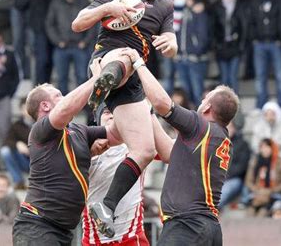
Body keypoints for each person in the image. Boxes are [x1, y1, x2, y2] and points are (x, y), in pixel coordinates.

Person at [71, 0, 178, 237]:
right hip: (106, 58)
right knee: (127, 57)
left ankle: (107, 206)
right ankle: (102, 83)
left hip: (132, 85)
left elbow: (172, 40)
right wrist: (109, 9)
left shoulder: (166, 5)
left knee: (146, 151)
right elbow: (78, 23)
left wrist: (171, 43)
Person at [118, 47, 240, 246]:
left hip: (187, 226)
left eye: (204, 99)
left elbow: (163, 103)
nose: (201, 102)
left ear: (208, 107)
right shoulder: (220, 138)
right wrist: (144, 108)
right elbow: (168, 151)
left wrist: (138, 63)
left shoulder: (201, 126)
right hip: (207, 228)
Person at [12, 58, 120, 245]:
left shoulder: (78, 130)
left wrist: (132, 101)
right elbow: (65, 109)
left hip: (62, 230)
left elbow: (116, 134)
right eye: (59, 96)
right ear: (45, 106)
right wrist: (96, 79)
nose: (64, 98)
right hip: (37, 226)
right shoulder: (39, 130)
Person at [82, 103, 167, 245]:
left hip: (132, 238)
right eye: (107, 112)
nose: (113, 115)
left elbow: (169, 151)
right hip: (93, 240)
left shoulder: (138, 145)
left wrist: (148, 113)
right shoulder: (85, 145)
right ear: (97, 119)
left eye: (118, 112)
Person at [46, 0, 91, 95]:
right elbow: (49, 24)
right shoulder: (56, 3)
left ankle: (86, 110)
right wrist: (57, 41)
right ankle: (64, 109)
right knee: (61, 79)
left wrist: (85, 41)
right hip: (62, 46)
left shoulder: (84, 2)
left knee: (82, 78)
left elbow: (93, 23)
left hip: (80, 45)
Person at [249, 0, 281, 109]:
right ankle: (260, 105)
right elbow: (252, 22)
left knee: (280, 75)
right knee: (260, 76)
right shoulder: (255, 2)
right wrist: (254, 38)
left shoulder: (279, 1)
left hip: (275, 42)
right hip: (260, 43)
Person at [252, 101, 281, 202]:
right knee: (253, 162)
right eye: (267, 114)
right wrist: (267, 154)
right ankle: (249, 196)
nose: (270, 117)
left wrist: (276, 155)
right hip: (265, 155)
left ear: (277, 114)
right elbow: (255, 146)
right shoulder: (258, 127)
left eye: (272, 114)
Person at [174, 0, 210, 105]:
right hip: (182, 57)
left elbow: (203, 35)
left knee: (197, 90)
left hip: (195, 59)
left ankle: (200, 117)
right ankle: (189, 118)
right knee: (186, 92)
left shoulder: (199, 12)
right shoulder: (184, 11)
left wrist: (196, 50)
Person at [213, 0, 246, 94]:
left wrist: (241, 44)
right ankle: (224, 105)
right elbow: (213, 27)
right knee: (224, 78)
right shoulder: (217, 7)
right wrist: (216, 44)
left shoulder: (239, 6)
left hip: (234, 45)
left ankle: (235, 104)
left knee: (233, 76)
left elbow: (244, 26)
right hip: (221, 45)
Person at [245, 138, 281, 217]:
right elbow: (248, 181)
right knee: (250, 212)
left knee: (263, 212)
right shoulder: (256, 162)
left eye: (267, 147)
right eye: (262, 147)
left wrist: (270, 191)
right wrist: (258, 190)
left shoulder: (280, 162)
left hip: (275, 194)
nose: (265, 150)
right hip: (258, 193)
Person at [219, 119, 250, 211]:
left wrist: (225, 175)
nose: (228, 129)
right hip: (217, 178)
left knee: (224, 190)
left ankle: (210, 210)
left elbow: (242, 166)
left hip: (234, 179)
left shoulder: (243, 144)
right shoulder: (217, 143)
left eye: (230, 127)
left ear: (235, 129)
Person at [0, 32, 20, 163]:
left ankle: (4, 162)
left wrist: (10, 93)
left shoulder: (10, 54)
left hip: (4, 97)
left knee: (5, 130)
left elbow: (17, 76)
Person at [0, 98, 31, 189]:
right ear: (21, 110)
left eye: (29, 108)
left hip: (40, 162)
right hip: (24, 161)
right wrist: (17, 144)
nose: (28, 111)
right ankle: (19, 181)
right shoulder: (16, 125)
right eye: (25, 108)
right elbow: (6, 141)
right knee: (5, 151)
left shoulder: (43, 123)